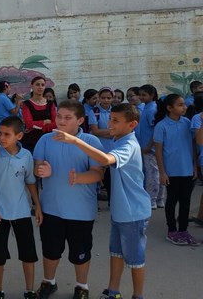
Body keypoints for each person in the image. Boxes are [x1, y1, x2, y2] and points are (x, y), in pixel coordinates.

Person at [53, 103, 150, 299]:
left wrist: (76, 141)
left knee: (135, 260)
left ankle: (138, 295)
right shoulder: (119, 139)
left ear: (132, 124)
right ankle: (113, 291)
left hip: (133, 213)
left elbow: (106, 160)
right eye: (110, 118)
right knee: (116, 253)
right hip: (121, 211)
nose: (110, 123)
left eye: (116, 120)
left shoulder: (129, 145)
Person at [33, 100, 104, 299]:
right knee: (50, 251)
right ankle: (49, 282)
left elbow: (98, 173)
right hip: (51, 208)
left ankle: (82, 286)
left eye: (67, 117)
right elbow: (36, 168)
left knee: (80, 252)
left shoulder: (91, 142)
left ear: (80, 120)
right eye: (59, 116)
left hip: (81, 211)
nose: (61, 121)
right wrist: (41, 171)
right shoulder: (45, 139)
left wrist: (79, 178)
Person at [0, 116, 42, 299]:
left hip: (22, 212)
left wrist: (37, 206)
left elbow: (30, 182)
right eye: (0, 133)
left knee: (28, 254)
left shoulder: (26, 156)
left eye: (6, 134)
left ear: (19, 136)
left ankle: (30, 290)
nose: (1, 138)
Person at [153, 94, 198, 245]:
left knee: (186, 202)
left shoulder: (187, 122)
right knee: (172, 200)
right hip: (171, 171)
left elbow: (192, 146)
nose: (184, 107)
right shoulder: (161, 126)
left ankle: (183, 231)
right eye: (180, 105)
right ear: (169, 108)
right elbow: (158, 150)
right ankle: (172, 230)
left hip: (187, 170)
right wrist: (162, 172)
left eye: (184, 104)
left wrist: (194, 167)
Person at [137, 84, 164, 209]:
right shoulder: (148, 108)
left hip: (150, 148)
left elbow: (155, 130)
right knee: (155, 172)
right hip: (147, 147)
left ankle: (152, 200)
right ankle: (159, 199)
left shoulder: (152, 109)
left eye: (144, 95)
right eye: (140, 95)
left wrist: (149, 146)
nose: (141, 97)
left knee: (152, 174)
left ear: (152, 95)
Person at [89, 88, 115, 203]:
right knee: (97, 175)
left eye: (108, 98)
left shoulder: (115, 111)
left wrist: (106, 132)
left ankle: (112, 201)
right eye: (103, 98)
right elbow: (95, 131)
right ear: (99, 98)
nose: (106, 100)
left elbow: (117, 130)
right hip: (99, 149)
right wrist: (111, 132)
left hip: (113, 149)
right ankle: (94, 201)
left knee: (112, 178)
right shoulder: (94, 112)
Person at [21, 77, 57, 152]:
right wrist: (44, 122)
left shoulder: (51, 104)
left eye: (42, 85)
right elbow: (29, 124)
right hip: (31, 141)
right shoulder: (26, 104)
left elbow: (55, 124)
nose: (40, 87)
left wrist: (38, 126)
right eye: (37, 84)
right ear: (32, 86)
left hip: (49, 139)